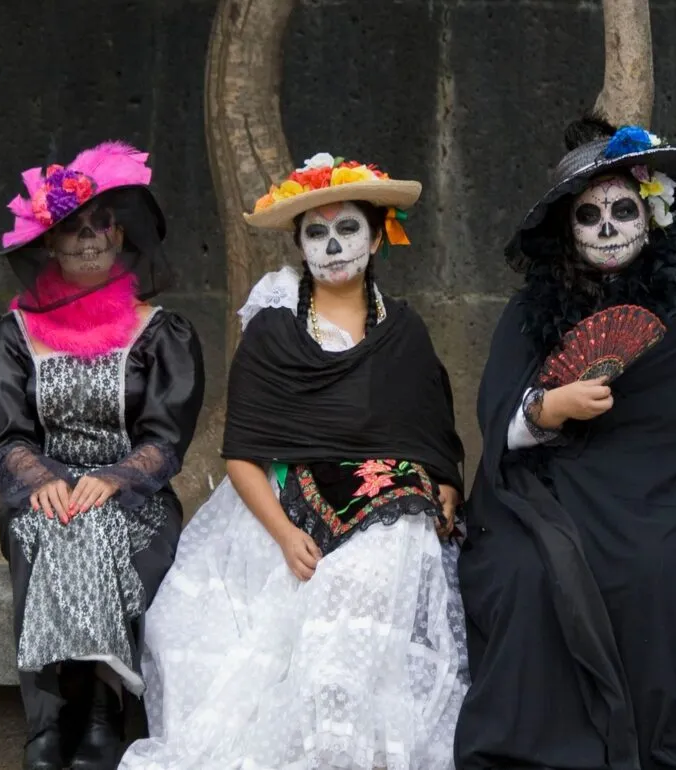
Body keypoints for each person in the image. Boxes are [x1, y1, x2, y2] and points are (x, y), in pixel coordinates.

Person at [120, 153, 468, 770]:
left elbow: (432, 432)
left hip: (391, 514)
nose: (333, 246)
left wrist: (447, 485)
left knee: (368, 582)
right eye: (316, 232)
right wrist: (283, 535)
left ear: (377, 238)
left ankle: (347, 742)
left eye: (348, 228)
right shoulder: (274, 333)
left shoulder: (404, 331)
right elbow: (242, 454)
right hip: (281, 507)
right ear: (300, 247)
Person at [456, 119, 676, 770]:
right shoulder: (529, 312)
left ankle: (646, 750)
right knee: (525, 571)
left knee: (661, 569)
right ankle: (540, 753)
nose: (606, 227)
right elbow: (498, 417)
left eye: (623, 210)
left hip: (662, 496)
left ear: (650, 217)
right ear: (566, 229)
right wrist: (547, 409)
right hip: (546, 490)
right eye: (588, 215)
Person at [0, 141, 205, 770]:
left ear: (120, 235)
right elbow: (10, 436)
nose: (87, 240)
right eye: (71, 229)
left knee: (100, 523)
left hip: (137, 497)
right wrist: (41, 481)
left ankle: (104, 714)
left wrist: (113, 479)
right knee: (49, 527)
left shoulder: (160, 331)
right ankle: (52, 723)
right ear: (48, 244)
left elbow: (166, 439)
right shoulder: (14, 335)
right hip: (40, 492)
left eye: (100, 224)